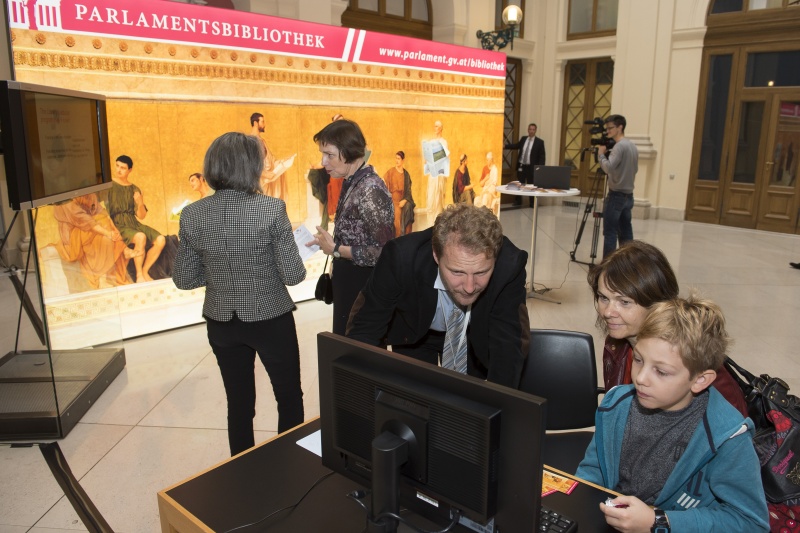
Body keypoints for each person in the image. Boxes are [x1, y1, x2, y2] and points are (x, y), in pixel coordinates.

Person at [576, 295, 769, 533]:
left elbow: (751, 523)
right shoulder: (615, 405)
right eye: (638, 359)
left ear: (700, 380)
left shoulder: (728, 438)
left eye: (662, 371)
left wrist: (658, 521)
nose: (641, 378)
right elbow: (592, 473)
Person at [173, 132, 306, 456]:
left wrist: (220, 272)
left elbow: (184, 278)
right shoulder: (271, 209)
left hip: (221, 323)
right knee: (288, 398)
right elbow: (293, 274)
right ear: (251, 166)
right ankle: (290, 469)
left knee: (239, 404)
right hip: (271, 319)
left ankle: (242, 473)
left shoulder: (192, 214)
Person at [347, 203, 530, 389]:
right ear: (436, 255)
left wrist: (499, 406)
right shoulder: (401, 257)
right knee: (414, 397)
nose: (469, 287)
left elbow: (508, 345)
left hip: (474, 336)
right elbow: (365, 328)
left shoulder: (509, 266)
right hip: (415, 333)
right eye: (457, 272)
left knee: (470, 400)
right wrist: (371, 388)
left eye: (481, 273)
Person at [589, 240, 748, 416]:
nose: (608, 312)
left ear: (658, 303)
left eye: (624, 302)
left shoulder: (692, 364)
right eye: (603, 298)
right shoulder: (617, 343)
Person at [305, 119, 394, 335]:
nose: (323, 161)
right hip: (350, 280)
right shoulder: (352, 180)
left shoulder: (370, 190)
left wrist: (336, 250)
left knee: (358, 350)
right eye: (322, 154)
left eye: (329, 155)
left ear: (349, 152)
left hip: (363, 285)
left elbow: (385, 252)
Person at [51, 193, 137, 290]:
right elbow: (86, 222)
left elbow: (103, 214)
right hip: (73, 234)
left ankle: (123, 250)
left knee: (104, 225)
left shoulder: (89, 193)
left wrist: (115, 231)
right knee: (106, 239)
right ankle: (101, 277)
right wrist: (108, 233)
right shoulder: (65, 202)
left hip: (94, 229)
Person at [107, 155, 166, 283]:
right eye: (117, 166)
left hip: (133, 222)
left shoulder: (134, 189)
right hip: (118, 223)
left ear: (130, 170)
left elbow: (141, 216)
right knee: (140, 237)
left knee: (161, 240)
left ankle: (145, 271)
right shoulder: (108, 185)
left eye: (123, 168)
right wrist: (112, 228)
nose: (119, 170)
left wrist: (140, 202)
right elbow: (103, 211)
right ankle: (139, 276)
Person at [598, 114, 638, 258]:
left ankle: (608, 267)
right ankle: (628, 261)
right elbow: (635, 169)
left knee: (610, 232)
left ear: (620, 127)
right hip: (629, 195)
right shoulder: (632, 146)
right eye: (606, 128)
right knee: (626, 231)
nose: (607, 131)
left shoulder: (619, 147)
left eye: (610, 128)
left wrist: (601, 155)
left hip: (616, 195)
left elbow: (608, 168)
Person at [250, 112, 295, 201]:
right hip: (261, 182)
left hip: (268, 180)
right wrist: (265, 174)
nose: (264, 124)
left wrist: (282, 162)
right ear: (255, 123)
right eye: (262, 122)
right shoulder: (251, 141)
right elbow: (250, 164)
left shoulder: (261, 140)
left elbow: (269, 160)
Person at [504, 123, 545, 206]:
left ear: (535, 131)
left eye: (533, 129)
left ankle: (532, 203)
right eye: (530, 129)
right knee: (519, 184)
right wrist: (505, 146)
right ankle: (518, 201)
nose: (532, 131)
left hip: (531, 167)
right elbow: (516, 146)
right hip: (521, 166)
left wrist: (540, 168)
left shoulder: (539, 142)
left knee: (531, 185)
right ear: (528, 130)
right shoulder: (523, 139)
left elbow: (542, 156)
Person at [382, 150, 415, 237]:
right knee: (397, 214)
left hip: (402, 200)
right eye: (396, 158)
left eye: (399, 159)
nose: (396, 161)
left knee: (408, 207)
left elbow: (408, 191)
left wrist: (405, 200)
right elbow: (383, 183)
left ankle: (407, 238)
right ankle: (398, 239)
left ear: (403, 160)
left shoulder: (406, 175)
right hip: (393, 201)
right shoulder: (391, 172)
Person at [425, 120, 450, 216]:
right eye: (434, 126)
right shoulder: (431, 142)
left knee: (438, 198)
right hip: (432, 173)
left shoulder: (444, 142)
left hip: (439, 173)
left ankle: (437, 218)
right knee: (431, 196)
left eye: (436, 126)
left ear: (440, 128)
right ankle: (430, 220)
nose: (434, 128)